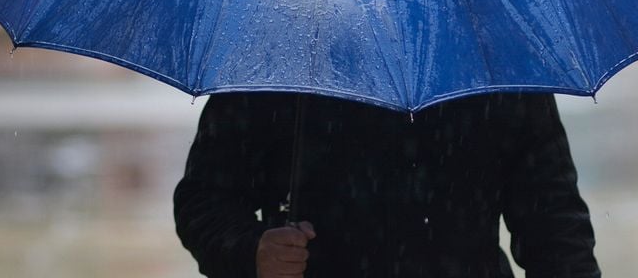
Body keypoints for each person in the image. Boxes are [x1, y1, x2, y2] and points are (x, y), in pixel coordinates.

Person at [174, 91, 600, 278]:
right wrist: (253, 251)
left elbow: (554, 224)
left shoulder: (495, 59)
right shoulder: (281, 61)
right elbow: (205, 200)